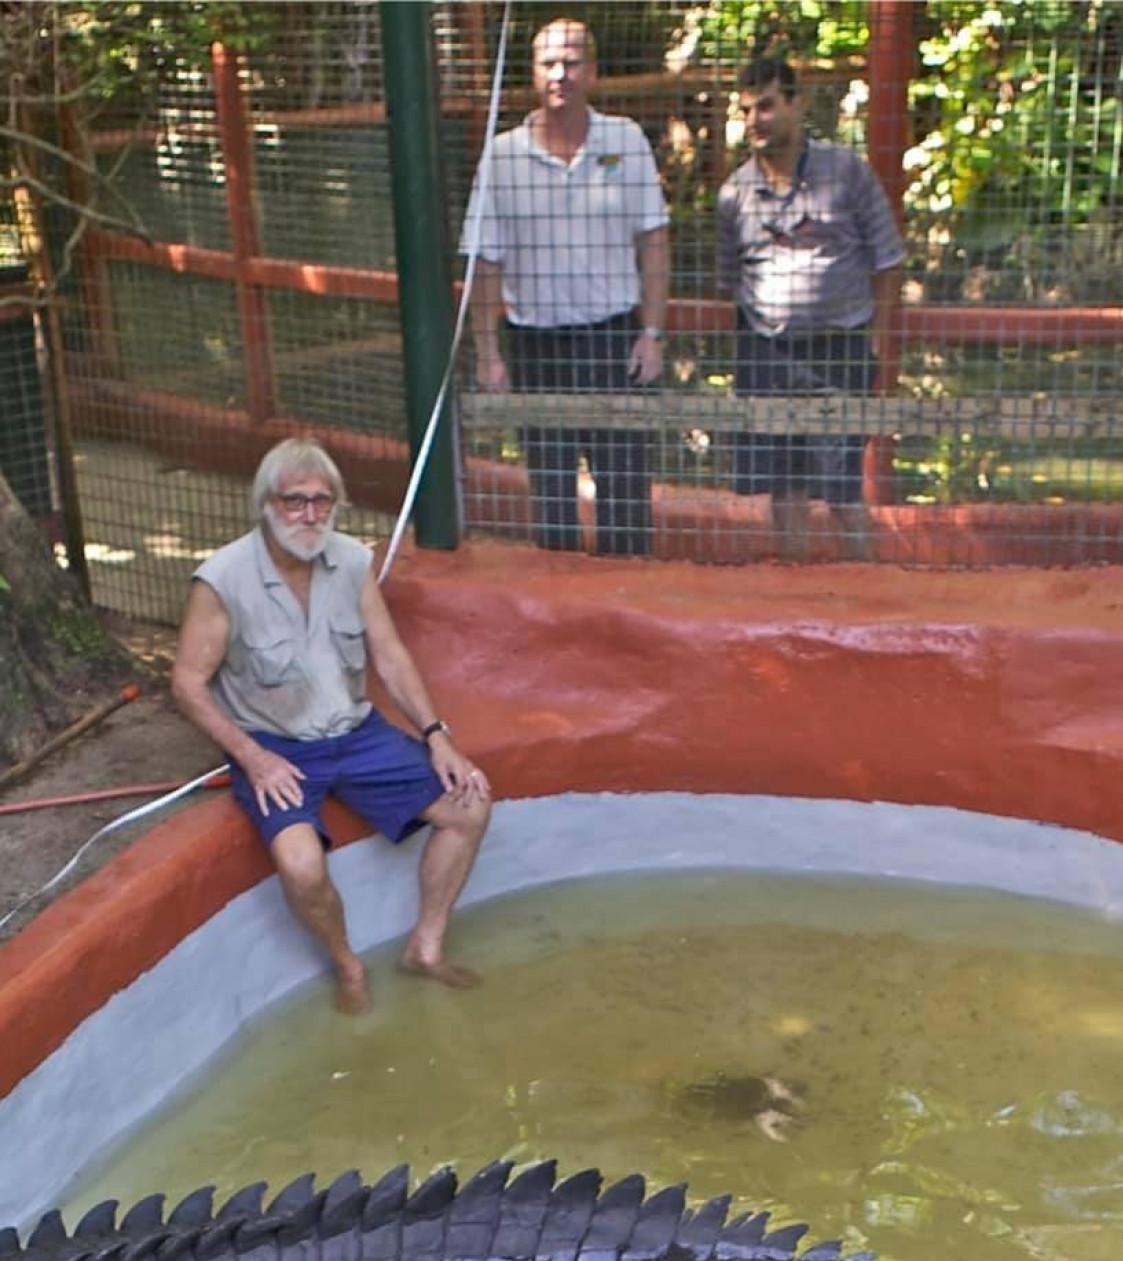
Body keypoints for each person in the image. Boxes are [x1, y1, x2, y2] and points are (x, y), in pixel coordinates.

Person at [171, 441, 490, 1012]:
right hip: (273, 743)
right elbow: (188, 685)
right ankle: (347, 966)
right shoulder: (222, 580)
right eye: (296, 502)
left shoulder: (351, 561)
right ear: (266, 504)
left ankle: (425, 946)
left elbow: (390, 656)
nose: (311, 516)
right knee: (300, 863)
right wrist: (254, 757)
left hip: (356, 731)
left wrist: (437, 734)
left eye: (323, 501)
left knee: (469, 805)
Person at [466, 18, 669, 556]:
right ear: (533, 74)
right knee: (551, 488)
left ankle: (627, 606)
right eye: (549, 64)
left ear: (593, 72)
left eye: (572, 62)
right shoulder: (502, 156)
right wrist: (488, 355)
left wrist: (651, 333)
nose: (561, 74)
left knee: (625, 487)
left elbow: (654, 239)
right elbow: (485, 262)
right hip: (536, 345)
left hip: (613, 340)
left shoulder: (625, 140)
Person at [716, 49, 904, 562]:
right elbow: (731, 279)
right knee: (785, 491)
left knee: (844, 492)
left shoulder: (847, 173)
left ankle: (868, 602)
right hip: (767, 354)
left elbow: (889, 261)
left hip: (840, 350)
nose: (756, 119)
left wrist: (876, 341)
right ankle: (795, 602)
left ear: (797, 106)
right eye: (747, 109)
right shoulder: (733, 194)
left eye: (768, 106)